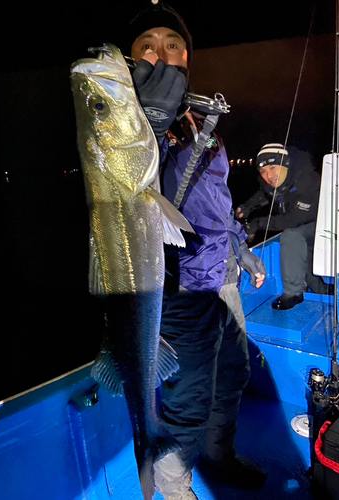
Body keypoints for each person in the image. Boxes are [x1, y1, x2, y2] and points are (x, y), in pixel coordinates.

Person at [123, 3, 268, 499]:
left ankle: (218, 456)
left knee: (233, 375)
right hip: (178, 291)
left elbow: (217, 204)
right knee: (186, 402)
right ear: (131, 59)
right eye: (147, 44)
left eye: (172, 44)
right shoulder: (132, 126)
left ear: (188, 58)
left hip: (222, 278)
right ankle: (173, 488)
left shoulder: (204, 123)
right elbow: (124, 196)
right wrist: (150, 129)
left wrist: (239, 246)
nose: (160, 54)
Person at [236, 142, 330, 311]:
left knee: (291, 235)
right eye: (263, 171)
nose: (268, 176)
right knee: (305, 265)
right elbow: (265, 194)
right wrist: (248, 207)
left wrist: (258, 223)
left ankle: (294, 293)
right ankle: (324, 294)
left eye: (272, 168)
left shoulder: (308, 180)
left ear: (285, 164)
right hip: (305, 232)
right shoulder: (279, 180)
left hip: (325, 228)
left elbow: (294, 219)